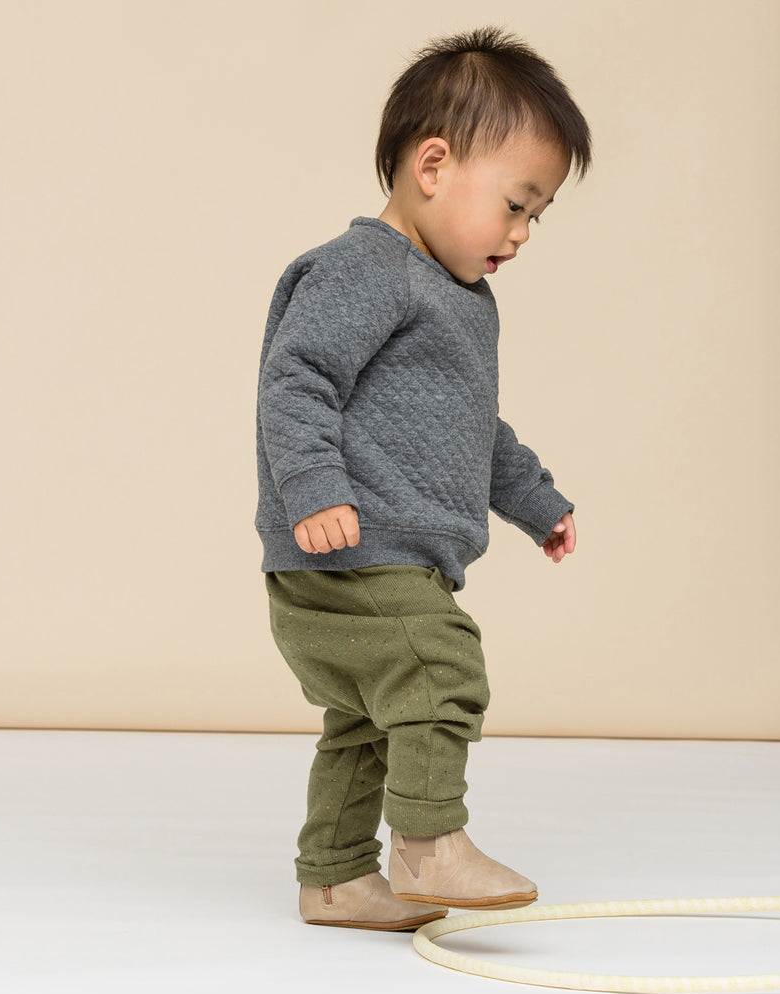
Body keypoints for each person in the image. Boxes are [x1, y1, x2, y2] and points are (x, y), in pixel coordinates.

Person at [255, 27, 591, 931]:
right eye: (517, 204)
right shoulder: (365, 268)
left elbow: (475, 431)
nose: (522, 234)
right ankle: (430, 843)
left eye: (536, 216)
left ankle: (332, 878)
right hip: (352, 551)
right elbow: (298, 377)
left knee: (369, 722)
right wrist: (316, 488)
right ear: (433, 164)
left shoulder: (458, 298)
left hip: (388, 560)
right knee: (440, 668)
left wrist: (536, 502)